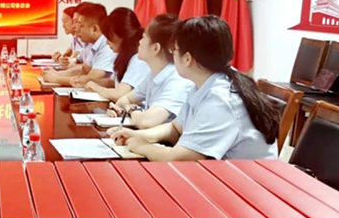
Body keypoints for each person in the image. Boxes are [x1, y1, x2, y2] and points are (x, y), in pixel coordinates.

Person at [112, 15, 279, 161]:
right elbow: (175, 128)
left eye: (175, 50)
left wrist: (141, 146)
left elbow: (178, 158)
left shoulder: (221, 99)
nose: (172, 55)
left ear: (187, 59)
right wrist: (136, 135)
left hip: (245, 181)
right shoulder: (205, 83)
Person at [106, 13, 193, 131]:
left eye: (143, 37)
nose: (139, 42)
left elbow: (146, 122)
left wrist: (131, 109)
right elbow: (124, 100)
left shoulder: (178, 80)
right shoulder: (154, 73)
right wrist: (120, 110)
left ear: (155, 48)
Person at [76, 7, 150, 102]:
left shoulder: (138, 60)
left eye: (109, 38)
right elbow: (112, 82)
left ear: (122, 36)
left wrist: (96, 88)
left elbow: (119, 94)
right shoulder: (122, 54)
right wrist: (87, 82)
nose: (107, 42)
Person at [42, 2, 116, 86]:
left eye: (81, 26)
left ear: (94, 29)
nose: (76, 29)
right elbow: (83, 70)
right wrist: (57, 74)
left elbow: (91, 79)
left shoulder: (107, 46)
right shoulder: (92, 43)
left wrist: (56, 78)